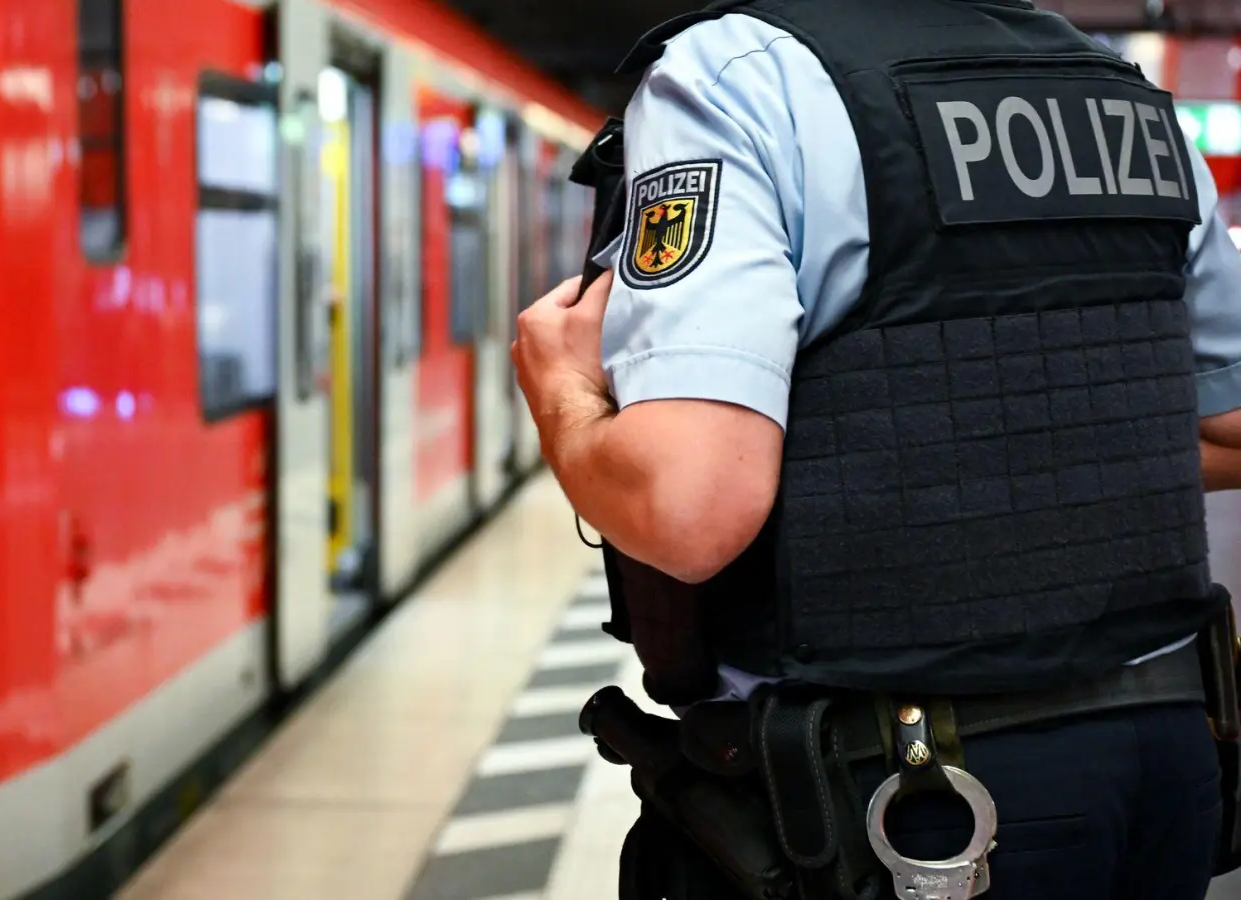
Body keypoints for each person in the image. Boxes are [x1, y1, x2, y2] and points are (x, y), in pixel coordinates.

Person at [511, 0, 1241, 897]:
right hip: (1169, 761)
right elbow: (1224, 429)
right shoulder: (1118, 92)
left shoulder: (741, 76)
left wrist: (561, 393)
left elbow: (688, 506)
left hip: (913, 804)